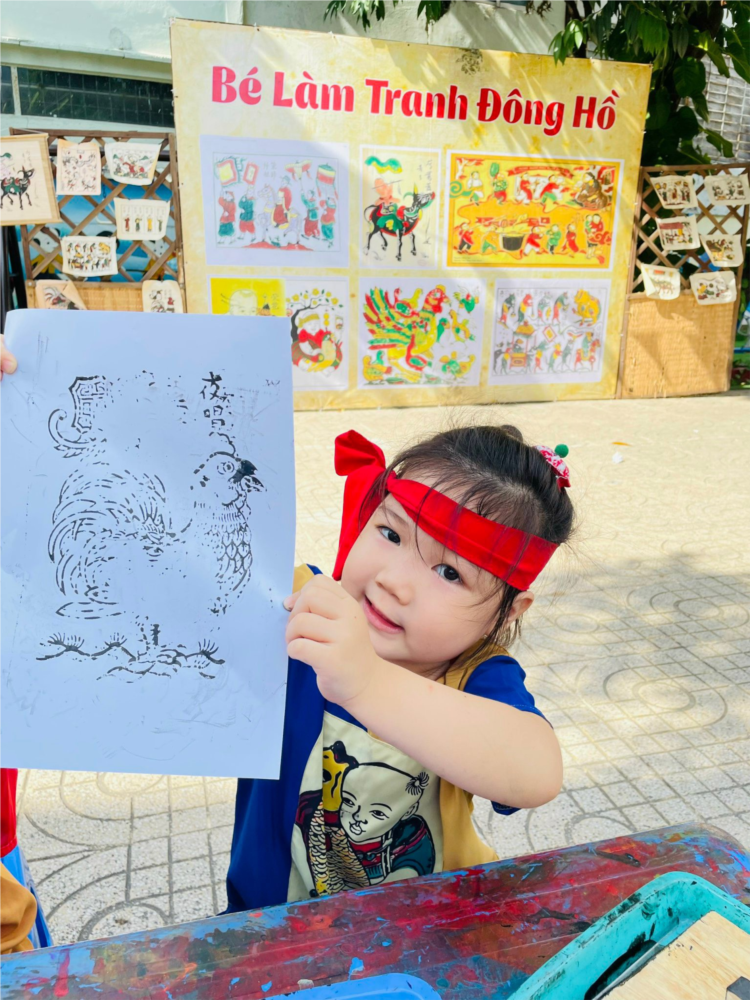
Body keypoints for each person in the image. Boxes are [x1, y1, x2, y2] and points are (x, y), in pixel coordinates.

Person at [0, 341, 571, 913]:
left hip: (416, 938)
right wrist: (24, 404)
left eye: (449, 572)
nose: (395, 581)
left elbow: (536, 772)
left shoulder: (475, 676)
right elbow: (154, 578)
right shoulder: (296, 606)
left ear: (509, 611)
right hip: (265, 931)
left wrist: (368, 682)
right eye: (391, 534)